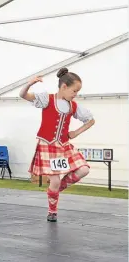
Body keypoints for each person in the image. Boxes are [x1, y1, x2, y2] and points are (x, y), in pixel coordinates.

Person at [19, 68, 94, 222]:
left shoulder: (73, 106)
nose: (76, 94)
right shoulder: (48, 99)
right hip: (48, 144)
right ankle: (52, 211)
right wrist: (30, 84)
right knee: (54, 179)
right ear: (64, 87)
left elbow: (91, 120)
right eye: (74, 91)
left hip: (64, 145)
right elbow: (23, 95)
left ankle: (55, 190)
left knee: (84, 169)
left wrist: (76, 132)